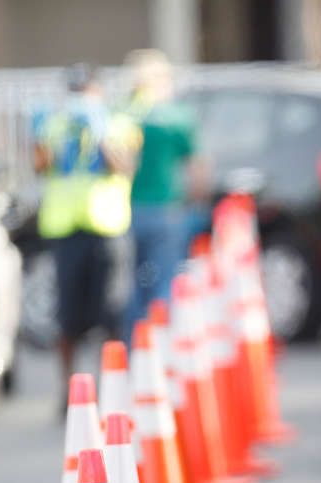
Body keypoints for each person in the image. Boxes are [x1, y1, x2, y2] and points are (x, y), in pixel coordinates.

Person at [33, 63, 138, 400]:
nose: (80, 99)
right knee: (67, 318)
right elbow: (40, 166)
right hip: (66, 232)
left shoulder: (118, 123)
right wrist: (43, 137)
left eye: (85, 92)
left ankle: (113, 389)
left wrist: (101, 133)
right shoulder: (55, 124)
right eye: (74, 93)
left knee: (111, 313)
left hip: (106, 229)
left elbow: (124, 166)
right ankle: (70, 392)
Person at [120, 49, 208, 339]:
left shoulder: (123, 113)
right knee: (165, 280)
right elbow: (196, 168)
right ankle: (162, 346)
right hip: (166, 208)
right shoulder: (177, 116)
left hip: (127, 210)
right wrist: (199, 202)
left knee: (134, 285)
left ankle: (135, 346)